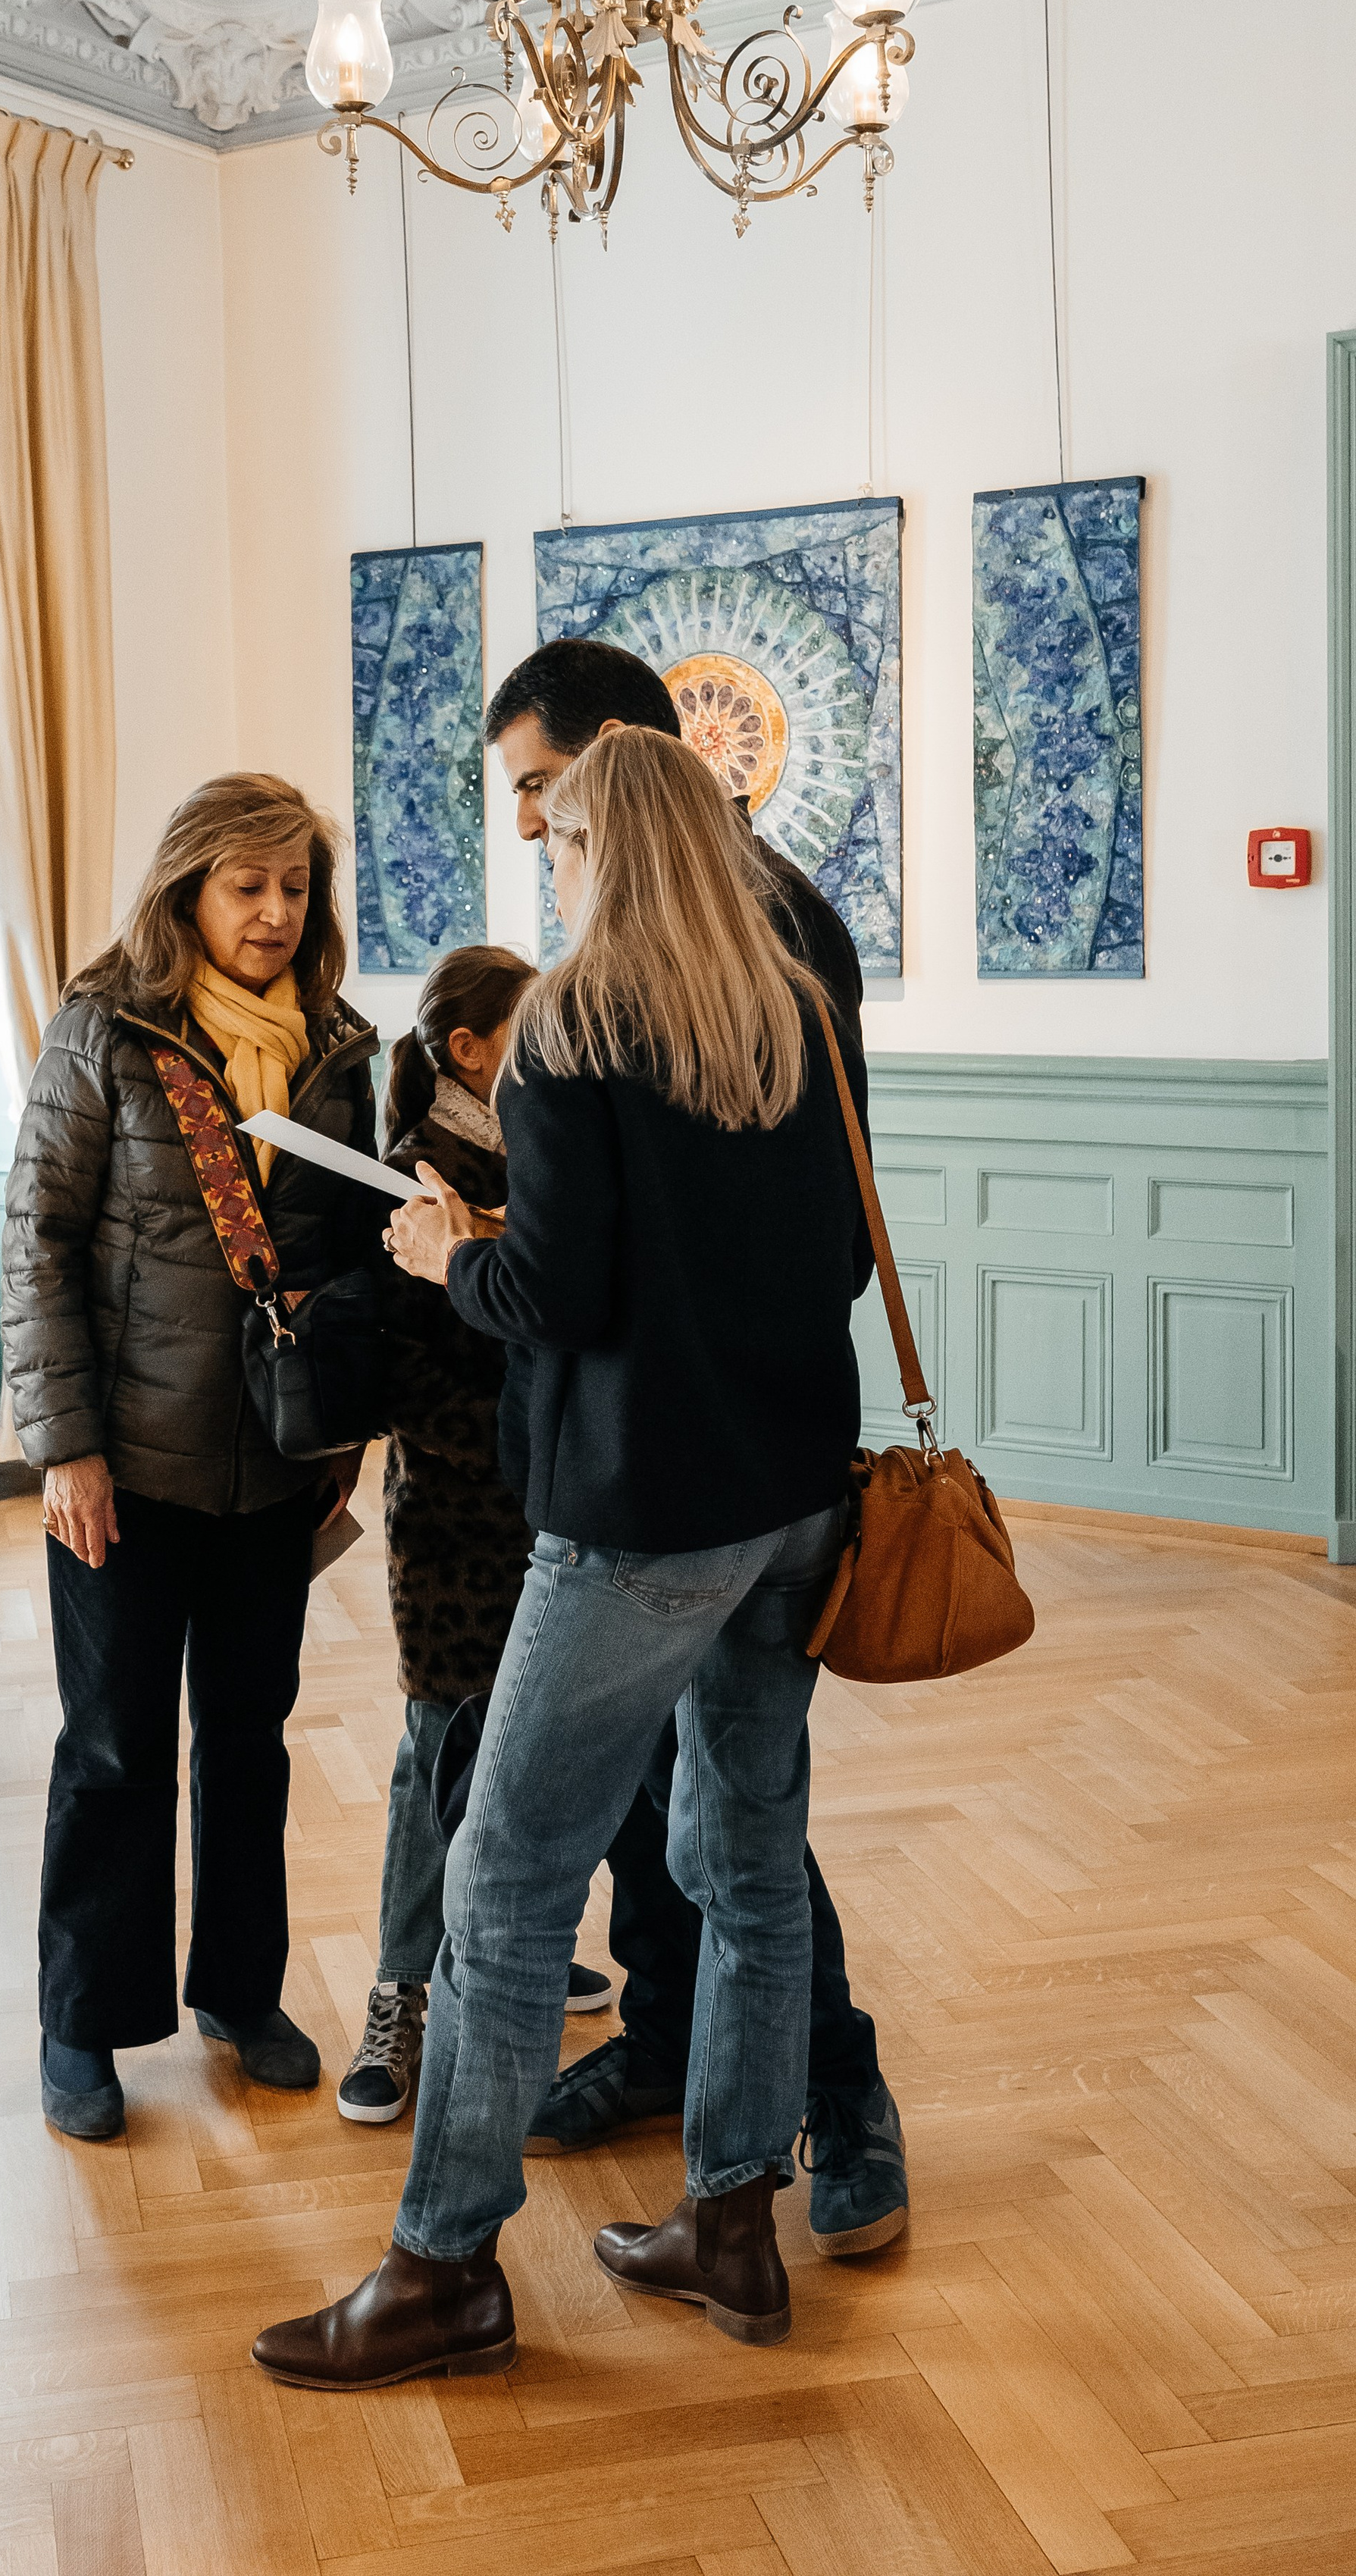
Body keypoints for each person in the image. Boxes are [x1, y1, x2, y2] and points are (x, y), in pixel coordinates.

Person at [254, 727, 876, 2386]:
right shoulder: (790, 1014)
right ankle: (732, 2221)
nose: (548, 865)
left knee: (507, 1878)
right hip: (793, 1495)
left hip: (641, 1515)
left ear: (602, 850)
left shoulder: (573, 1030)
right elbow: (822, 1261)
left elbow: (555, 1297)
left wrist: (445, 1250)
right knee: (750, 1862)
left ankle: (443, 2264)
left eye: (559, 840)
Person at [484, 637, 907, 2259]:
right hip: (700, 1450)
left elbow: (804, 1221)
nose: (533, 828)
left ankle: (840, 2099)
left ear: (618, 761)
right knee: (693, 1806)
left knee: (732, 1833)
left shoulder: (774, 930)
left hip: (693, 1463)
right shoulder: (633, 948)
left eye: (544, 790)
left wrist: (521, 1261)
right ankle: (678, 2064)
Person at [1, 774, 381, 2145]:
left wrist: (343, 1430)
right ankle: (83, 2018)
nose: (275, 912)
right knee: (113, 1748)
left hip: (273, 1467)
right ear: (188, 889)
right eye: (247, 885)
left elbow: (349, 1260)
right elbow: (38, 1239)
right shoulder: (106, 1030)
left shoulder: (339, 1047)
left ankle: (241, 1988)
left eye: (296, 887)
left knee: (249, 1739)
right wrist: (67, 1449)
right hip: (124, 1469)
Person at [338, 945, 615, 2131]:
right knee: (435, 1751)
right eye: (530, 1020)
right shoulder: (418, 1174)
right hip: (457, 1523)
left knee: (539, 1745)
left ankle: (518, 1950)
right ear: (468, 1048)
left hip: (553, 1503)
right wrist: (529, 1436)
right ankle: (400, 1993)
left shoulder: (540, 1146)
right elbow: (413, 1378)